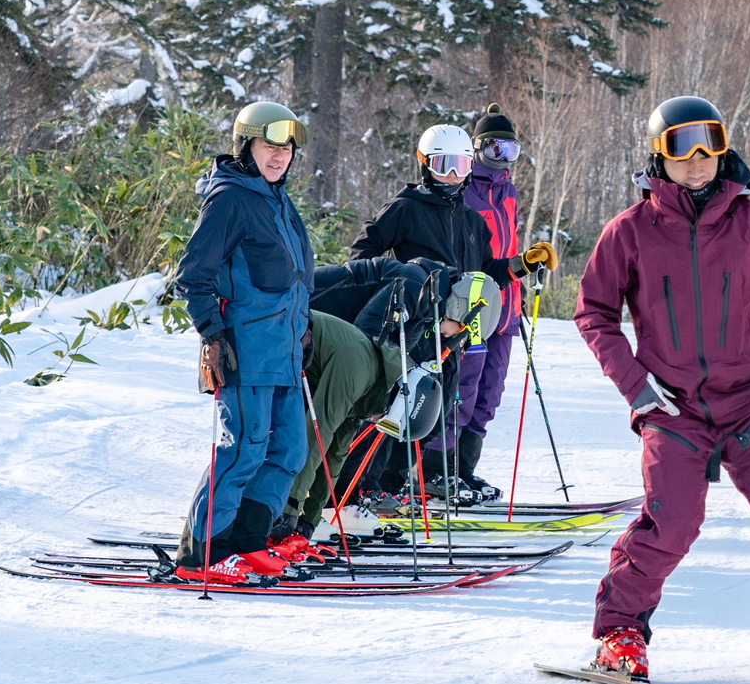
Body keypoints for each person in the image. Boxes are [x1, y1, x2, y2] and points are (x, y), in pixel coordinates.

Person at [573, 95, 750, 680]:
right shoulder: (630, 231)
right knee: (670, 520)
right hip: (672, 406)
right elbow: (593, 312)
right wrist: (636, 386)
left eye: (710, 143)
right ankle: (620, 632)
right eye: (681, 146)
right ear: (658, 153)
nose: (698, 160)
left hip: (748, 400)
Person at [348, 123, 556, 504]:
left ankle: (401, 485)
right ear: (426, 165)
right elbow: (363, 255)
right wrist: (394, 293)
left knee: (431, 414)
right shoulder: (405, 208)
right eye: (444, 165)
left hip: (453, 333)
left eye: (460, 165)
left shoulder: (470, 219)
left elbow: (487, 270)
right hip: (411, 329)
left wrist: (522, 264)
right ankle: (367, 487)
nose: (453, 175)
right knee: (394, 408)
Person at [172, 101, 314, 584]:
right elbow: (192, 276)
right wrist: (212, 333)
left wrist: (305, 329)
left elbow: (294, 279)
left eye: (287, 148)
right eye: (269, 146)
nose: (279, 156)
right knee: (243, 451)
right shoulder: (230, 199)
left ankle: (248, 542)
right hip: (246, 350)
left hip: (286, 352)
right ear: (246, 146)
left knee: (290, 450)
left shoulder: (277, 199)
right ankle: (202, 555)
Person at [274, 265, 501, 541]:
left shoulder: (428, 305)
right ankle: (275, 511)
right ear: (459, 305)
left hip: (318, 350)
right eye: (462, 327)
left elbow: (335, 453)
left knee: (336, 437)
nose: (453, 335)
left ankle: (312, 510)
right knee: (304, 430)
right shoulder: (414, 288)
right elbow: (368, 336)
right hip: (289, 315)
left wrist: (308, 519)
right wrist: (293, 509)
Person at [457, 103, 525, 500]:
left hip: (508, 309)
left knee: (489, 396)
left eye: (511, 151)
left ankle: (465, 471)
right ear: (479, 148)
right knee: (462, 393)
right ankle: (438, 473)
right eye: (496, 149)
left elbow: (508, 244)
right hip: (476, 307)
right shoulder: (464, 189)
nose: (503, 159)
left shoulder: (508, 190)